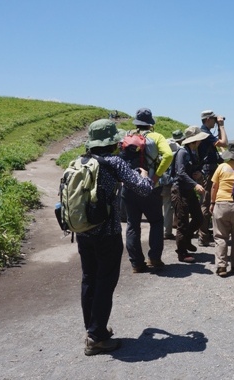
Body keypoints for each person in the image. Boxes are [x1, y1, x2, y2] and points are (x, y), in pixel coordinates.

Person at [77, 119, 153, 355]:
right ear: (111, 142)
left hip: (83, 230)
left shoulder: (80, 161)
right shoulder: (113, 162)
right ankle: (97, 337)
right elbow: (144, 189)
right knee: (105, 281)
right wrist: (144, 174)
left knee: (89, 278)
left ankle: (92, 328)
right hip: (107, 233)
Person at [122, 108, 173, 273]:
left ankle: (136, 263)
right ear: (151, 123)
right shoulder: (157, 137)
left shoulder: (127, 136)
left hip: (129, 188)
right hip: (150, 187)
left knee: (132, 225)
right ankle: (154, 258)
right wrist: (156, 176)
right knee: (156, 222)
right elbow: (168, 155)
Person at [172, 126, 208, 263]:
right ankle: (182, 252)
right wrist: (195, 184)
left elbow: (193, 169)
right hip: (180, 190)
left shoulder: (192, 152)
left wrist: (200, 173)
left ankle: (185, 241)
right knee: (182, 222)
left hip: (187, 190)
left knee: (198, 218)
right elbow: (180, 173)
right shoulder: (183, 153)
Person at [209, 139, 234, 277]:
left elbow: (214, 186)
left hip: (221, 203)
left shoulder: (221, 167)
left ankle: (221, 266)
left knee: (220, 236)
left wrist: (212, 203)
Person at [197, 110, 228, 247]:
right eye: (214, 119)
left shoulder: (204, 132)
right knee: (207, 201)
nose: (215, 121)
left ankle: (203, 233)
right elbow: (224, 143)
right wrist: (221, 125)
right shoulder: (205, 133)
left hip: (207, 170)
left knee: (207, 200)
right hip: (208, 171)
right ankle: (203, 236)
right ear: (208, 119)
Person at [161, 129, 185, 240]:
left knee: (164, 207)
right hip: (172, 183)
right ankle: (169, 231)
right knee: (172, 207)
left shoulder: (164, 150)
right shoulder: (179, 152)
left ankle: (163, 230)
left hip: (161, 181)